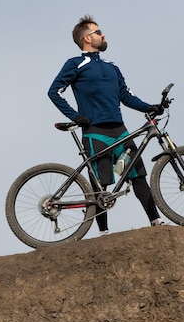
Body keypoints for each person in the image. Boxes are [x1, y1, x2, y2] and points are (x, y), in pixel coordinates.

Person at [47, 14, 164, 234]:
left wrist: (149, 107)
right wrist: (75, 116)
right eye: (99, 32)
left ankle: (156, 222)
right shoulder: (75, 64)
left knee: (138, 176)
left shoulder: (112, 68)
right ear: (87, 39)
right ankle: (104, 233)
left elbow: (126, 96)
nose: (103, 35)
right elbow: (54, 92)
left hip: (121, 131)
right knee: (101, 185)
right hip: (95, 131)